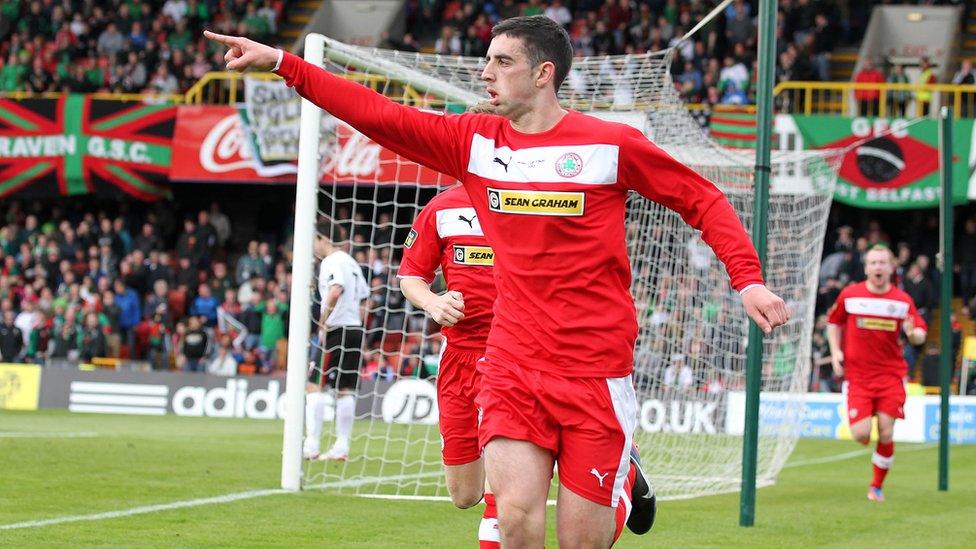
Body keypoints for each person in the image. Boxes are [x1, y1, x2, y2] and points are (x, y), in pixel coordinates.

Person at [206, 16, 789, 546]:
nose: (485, 72)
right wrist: (284, 63)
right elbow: (381, 116)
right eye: (486, 60)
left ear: (543, 74)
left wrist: (748, 280)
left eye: (501, 62)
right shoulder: (475, 142)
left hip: (594, 368)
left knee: (581, 542)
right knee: (511, 517)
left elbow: (703, 199)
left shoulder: (610, 145)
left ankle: (622, 471)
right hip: (510, 363)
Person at [398, 183, 502, 545]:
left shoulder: (527, 196)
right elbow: (410, 276)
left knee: (501, 488)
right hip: (458, 357)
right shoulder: (442, 208)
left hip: (511, 353)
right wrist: (432, 302)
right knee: (464, 493)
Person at [826, 245, 927, 502]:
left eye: (883, 262)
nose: (878, 267)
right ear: (866, 267)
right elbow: (833, 322)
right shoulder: (851, 295)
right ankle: (874, 448)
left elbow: (919, 334)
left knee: (885, 431)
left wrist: (913, 334)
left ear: (891, 267)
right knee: (860, 434)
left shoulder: (902, 301)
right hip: (858, 378)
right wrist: (836, 351)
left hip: (890, 376)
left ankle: (876, 487)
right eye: (873, 263)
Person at [303, 219, 370, 462]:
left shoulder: (332, 261)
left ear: (322, 238)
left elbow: (335, 289)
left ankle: (311, 445)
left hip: (336, 330)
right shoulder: (351, 262)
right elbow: (364, 296)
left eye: (314, 240)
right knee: (345, 390)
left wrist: (324, 319)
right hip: (354, 329)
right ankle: (341, 447)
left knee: (314, 385)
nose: (313, 245)